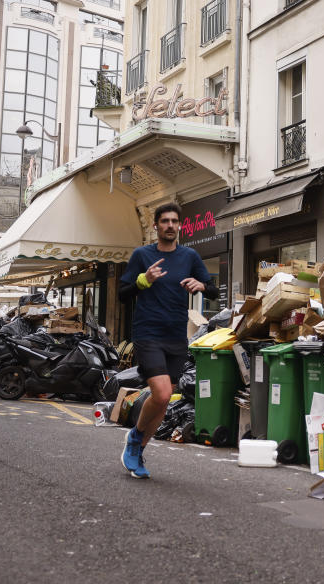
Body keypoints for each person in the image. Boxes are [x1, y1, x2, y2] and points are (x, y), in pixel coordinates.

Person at [118, 202, 219, 478]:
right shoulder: (142, 255)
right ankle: (136, 437)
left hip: (176, 336)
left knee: (163, 401)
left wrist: (202, 285)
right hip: (148, 333)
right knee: (161, 393)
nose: (170, 226)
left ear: (180, 226)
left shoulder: (189, 257)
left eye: (175, 221)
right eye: (165, 221)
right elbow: (122, 293)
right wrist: (143, 280)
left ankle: (137, 449)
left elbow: (212, 289)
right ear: (156, 226)